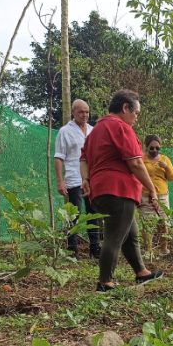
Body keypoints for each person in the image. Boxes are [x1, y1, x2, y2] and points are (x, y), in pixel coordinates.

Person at [80, 90, 163, 293]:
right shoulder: (120, 127)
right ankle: (105, 283)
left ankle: (141, 272)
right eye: (136, 112)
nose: (136, 118)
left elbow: (83, 158)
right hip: (118, 189)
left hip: (100, 190)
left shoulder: (97, 130)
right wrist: (151, 189)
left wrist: (86, 179)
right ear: (126, 107)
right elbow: (135, 163)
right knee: (114, 236)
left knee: (130, 233)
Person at [54, 99, 100, 259]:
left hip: (92, 179)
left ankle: (95, 249)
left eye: (87, 112)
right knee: (74, 216)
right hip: (73, 179)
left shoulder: (94, 131)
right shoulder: (65, 131)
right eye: (81, 112)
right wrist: (60, 180)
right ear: (73, 112)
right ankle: (72, 250)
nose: (84, 115)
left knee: (93, 214)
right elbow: (59, 157)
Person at [138, 135, 173, 256]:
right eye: (152, 148)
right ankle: (148, 251)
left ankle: (164, 250)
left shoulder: (164, 159)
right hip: (145, 194)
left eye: (157, 148)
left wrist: (167, 168)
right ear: (146, 147)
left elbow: (172, 178)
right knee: (148, 223)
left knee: (162, 223)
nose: (155, 151)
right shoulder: (141, 158)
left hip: (162, 195)